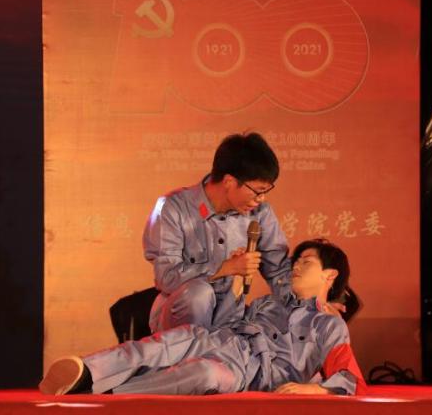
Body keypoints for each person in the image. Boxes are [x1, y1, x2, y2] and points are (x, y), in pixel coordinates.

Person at [39, 239, 366, 396]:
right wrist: (235, 287)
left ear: (330, 275)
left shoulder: (328, 324)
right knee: (166, 342)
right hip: (220, 339)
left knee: (203, 373)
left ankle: (110, 395)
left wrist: (316, 390)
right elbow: (224, 324)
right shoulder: (268, 303)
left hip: (250, 369)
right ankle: (87, 373)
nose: (295, 267)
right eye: (295, 261)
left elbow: (350, 378)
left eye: (306, 262)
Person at [143, 132, 290, 333]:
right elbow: (166, 277)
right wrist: (226, 267)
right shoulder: (173, 207)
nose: (261, 199)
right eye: (258, 191)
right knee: (199, 294)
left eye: (266, 191)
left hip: (229, 317)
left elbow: (279, 271)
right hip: (177, 317)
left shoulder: (260, 213)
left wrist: (311, 307)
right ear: (229, 181)